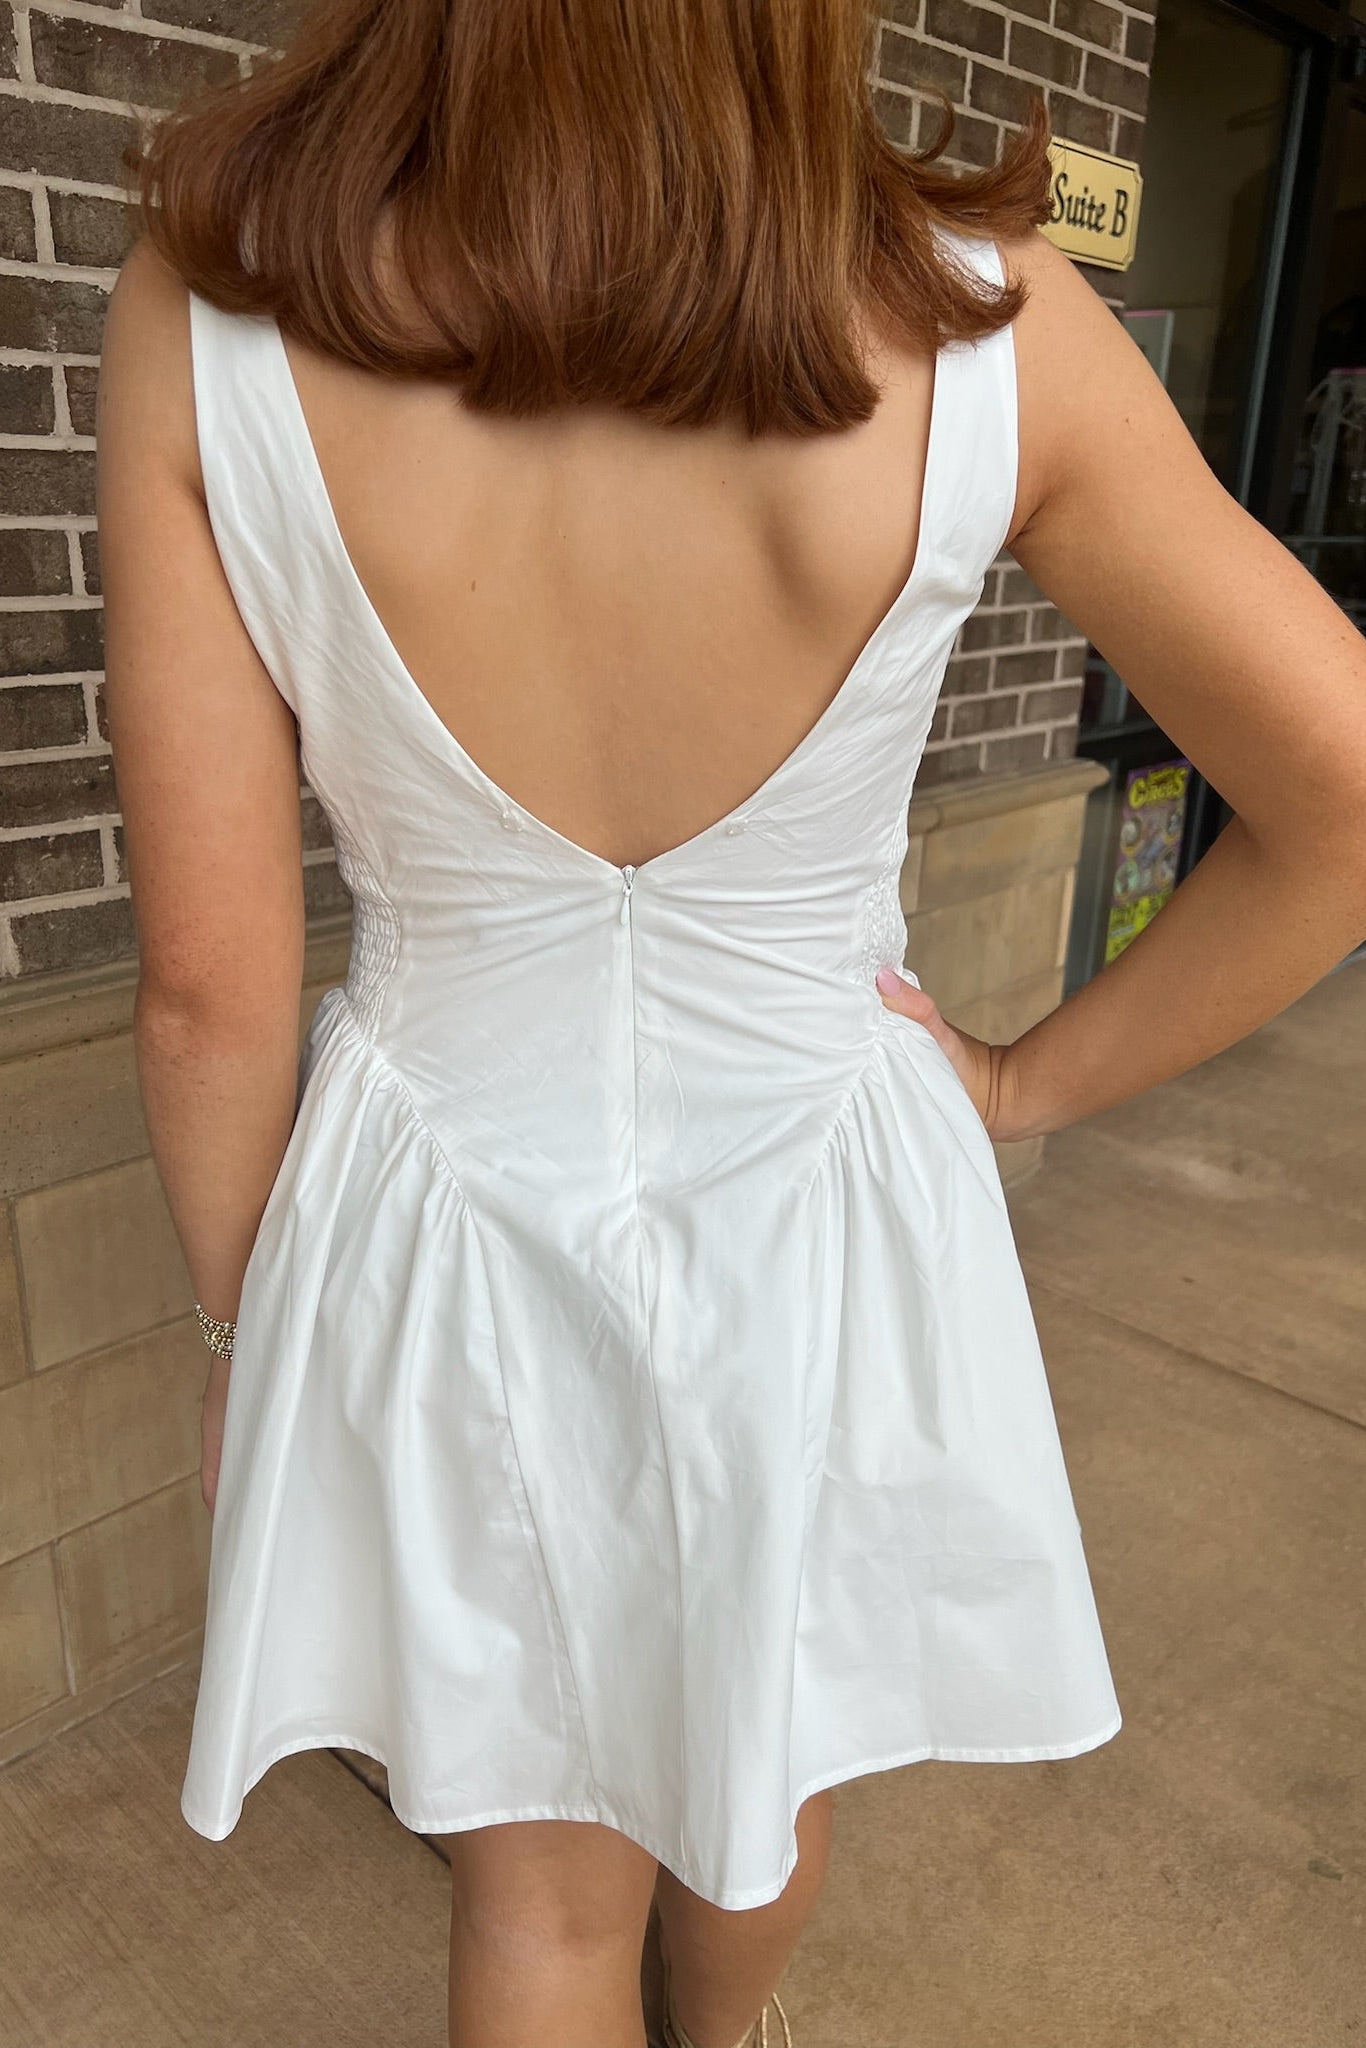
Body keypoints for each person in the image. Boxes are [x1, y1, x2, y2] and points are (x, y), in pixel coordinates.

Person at [94, 1, 1366, 2043]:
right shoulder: (983, 319)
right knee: (760, 1770)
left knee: (536, 1897)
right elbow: (1344, 798)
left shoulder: (220, 304)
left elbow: (204, 994)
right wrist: (1020, 1080)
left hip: (444, 1205)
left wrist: (260, 1348)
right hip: (822, 1202)